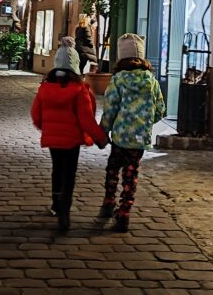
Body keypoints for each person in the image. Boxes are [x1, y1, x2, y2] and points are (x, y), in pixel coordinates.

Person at [31, 37, 107, 233]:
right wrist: (100, 138)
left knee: (57, 169)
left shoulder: (45, 87)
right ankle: (65, 208)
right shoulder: (79, 90)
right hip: (72, 140)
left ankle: (56, 203)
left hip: (54, 139)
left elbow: (35, 113)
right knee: (69, 173)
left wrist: (45, 127)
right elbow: (86, 119)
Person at [99, 33, 166, 233]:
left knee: (113, 170)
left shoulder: (118, 79)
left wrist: (103, 131)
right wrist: (145, 122)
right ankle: (124, 212)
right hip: (139, 139)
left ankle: (108, 202)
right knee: (131, 174)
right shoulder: (151, 80)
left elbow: (110, 108)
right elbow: (160, 109)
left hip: (120, 136)